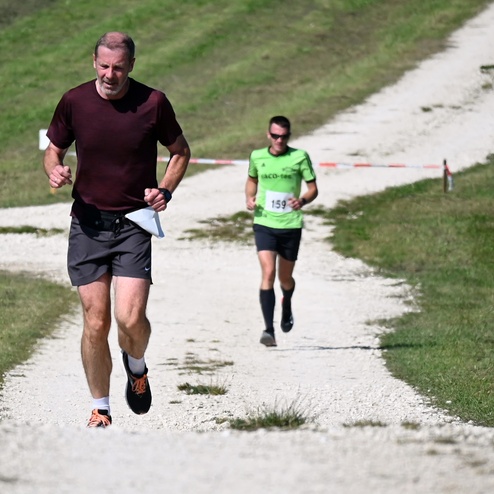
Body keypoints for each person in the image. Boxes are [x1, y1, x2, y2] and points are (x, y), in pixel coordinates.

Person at [43, 32, 191, 427]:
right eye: (105, 66)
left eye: (119, 68)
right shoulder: (74, 101)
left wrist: (164, 190)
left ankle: (136, 365)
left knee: (130, 319)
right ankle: (101, 408)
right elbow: (53, 149)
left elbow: (180, 152)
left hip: (133, 224)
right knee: (96, 321)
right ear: (94, 62)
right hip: (88, 224)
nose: (111, 75)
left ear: (131, 66)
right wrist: (54, 170)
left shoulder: (153, 103)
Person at [245, 116, 318, 347]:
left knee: (284, 278)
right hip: (264, 222)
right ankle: (269, 330)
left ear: (289, 136)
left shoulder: (299, 157)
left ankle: (287, 302)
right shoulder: (257, 156)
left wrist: (302, 200)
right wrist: (249, 197)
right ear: (269, 135)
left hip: (290, 224)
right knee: (268, 273)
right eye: (275, 136)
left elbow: (313, 188)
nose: (279, 140)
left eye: (284, 137)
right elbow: (251, 180)